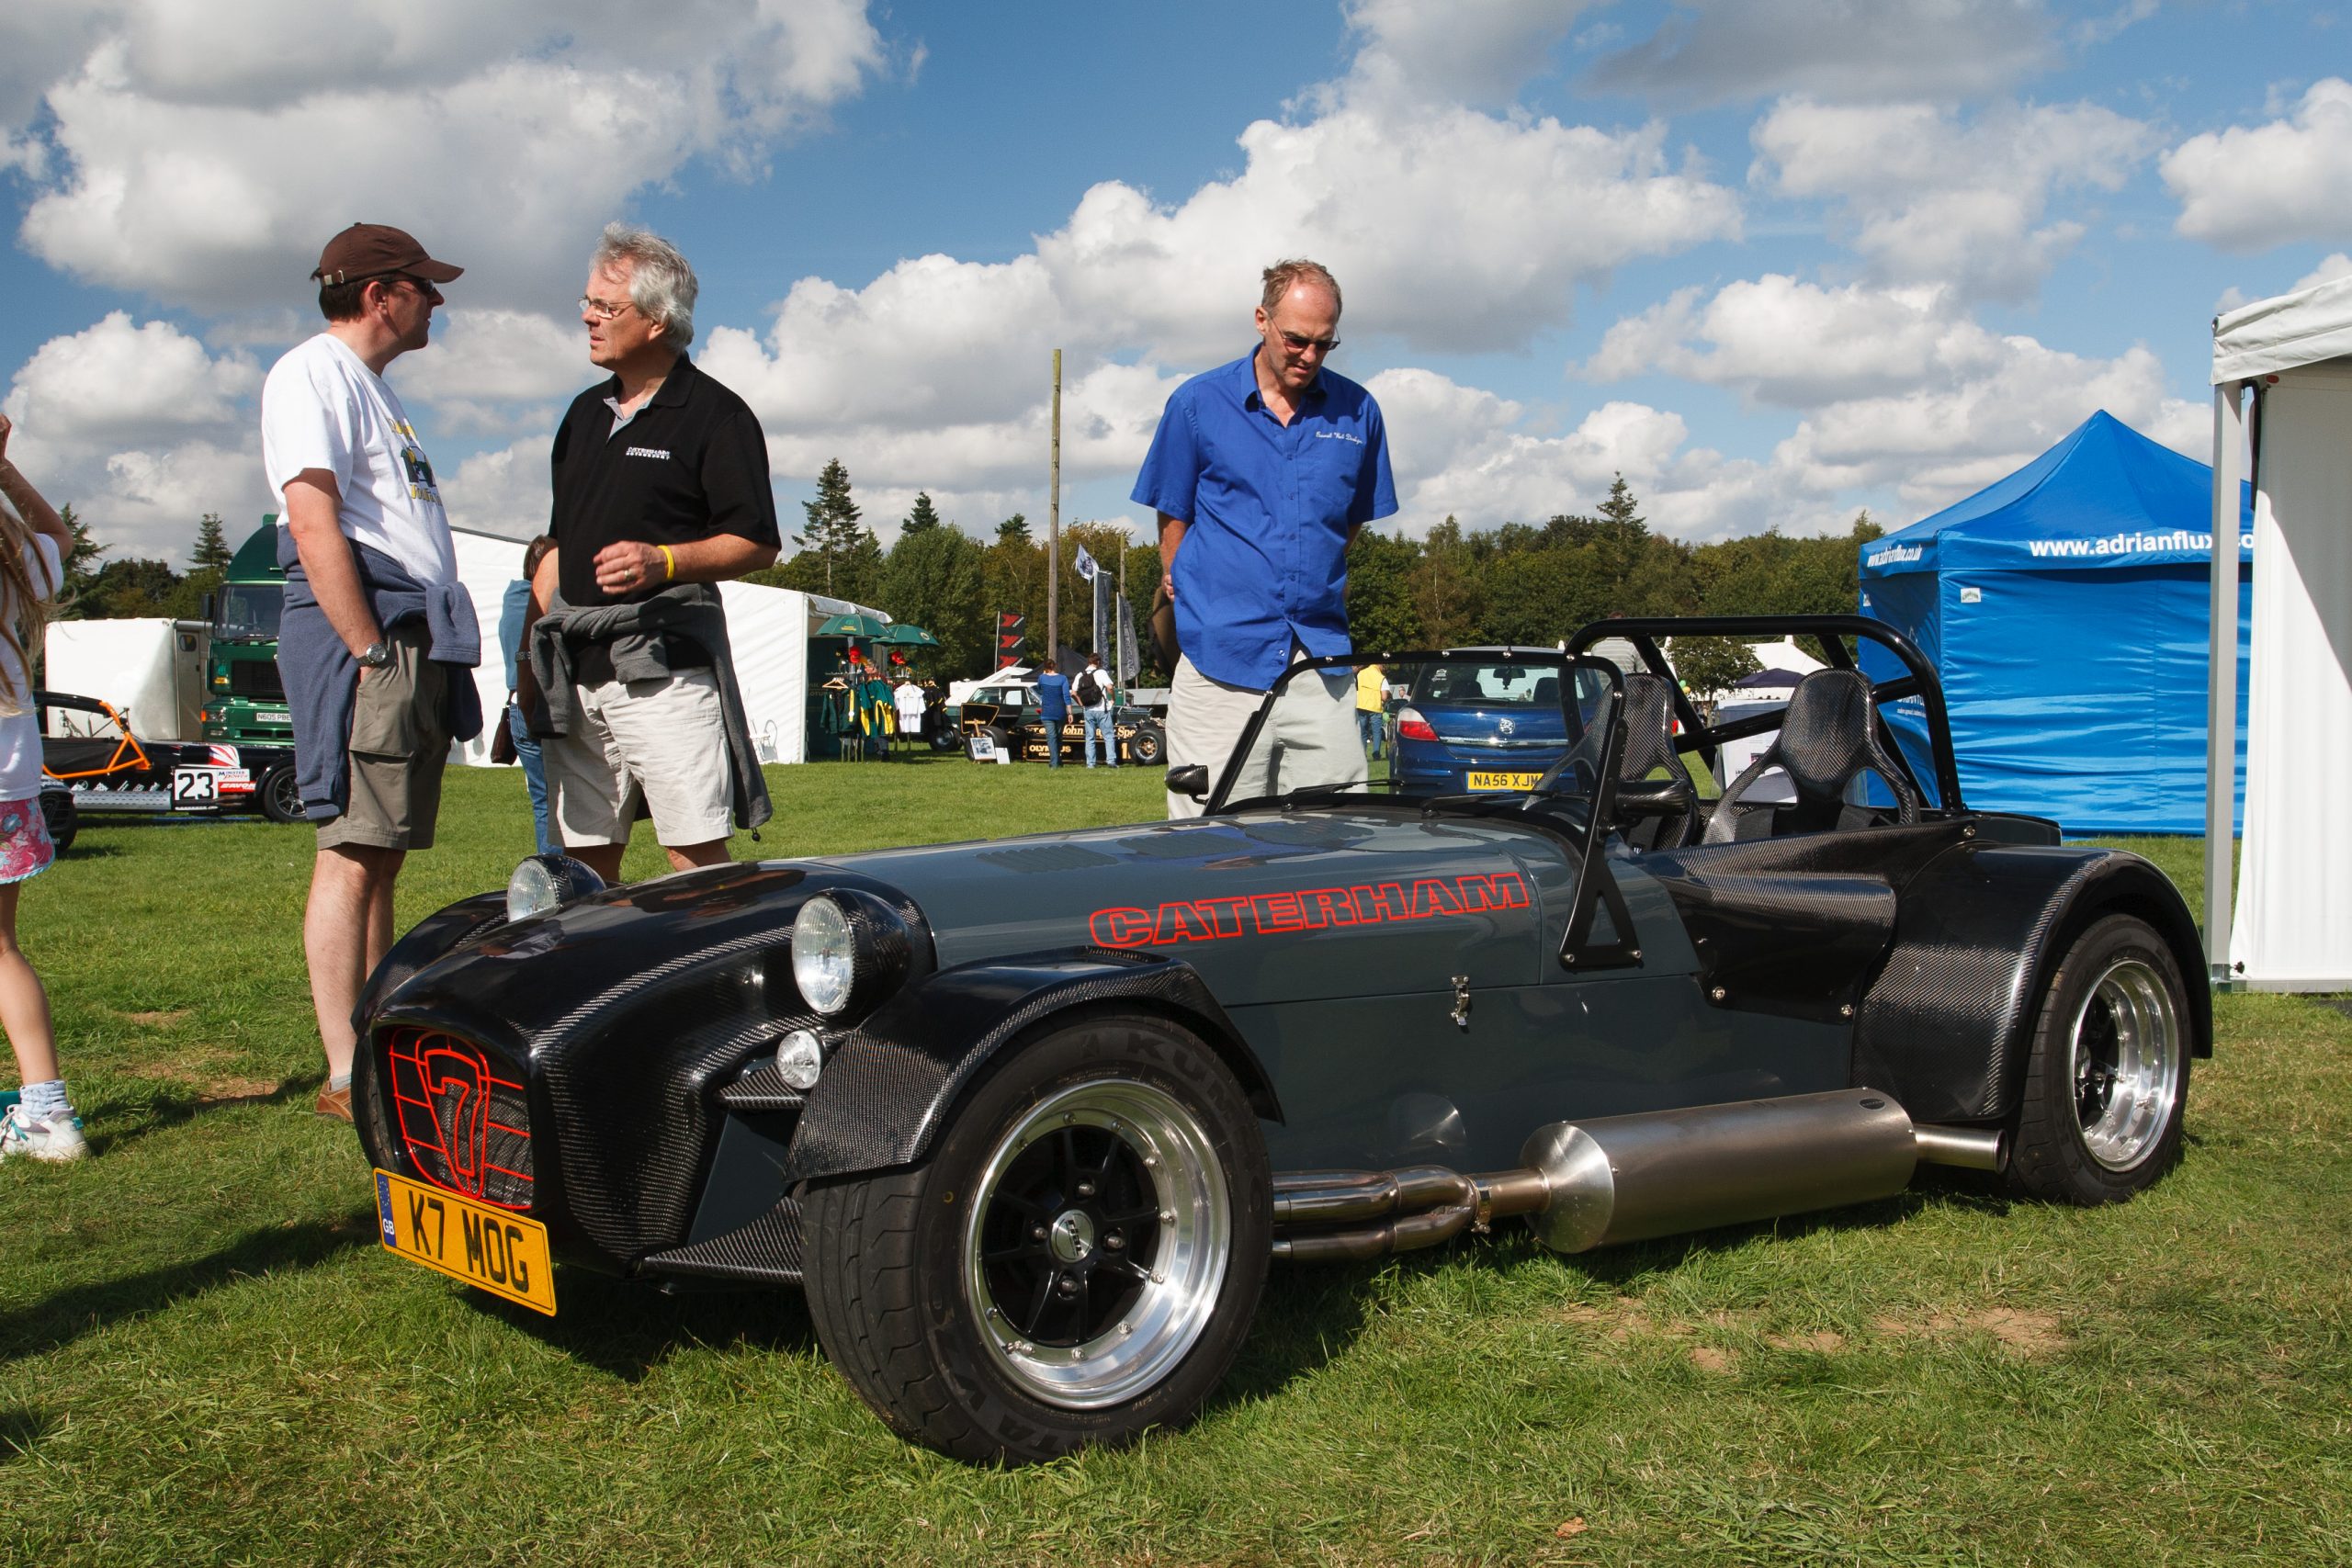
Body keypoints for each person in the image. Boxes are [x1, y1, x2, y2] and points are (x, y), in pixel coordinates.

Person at [262, 222, 481, 1123]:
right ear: (380, 291)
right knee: (350, 853)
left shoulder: (372, 392)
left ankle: (375, 1040)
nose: (437, 301)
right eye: (425, 287)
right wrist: (363, 650)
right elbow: (313, 521)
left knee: (381, 856)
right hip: (369, 636)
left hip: (404, 634)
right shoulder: (311, 372)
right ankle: (347, 1070)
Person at [525, 224, 777, 882]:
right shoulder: (582, 416)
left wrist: (663, 562)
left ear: (659, 321)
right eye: (587, 301)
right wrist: (546, 578)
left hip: (666, 668)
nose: (587, 317)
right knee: (581, 860)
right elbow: (561, 533)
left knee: (692, 854)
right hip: (578, 669)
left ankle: (705, 981)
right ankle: (600, 982)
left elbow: (756, 542)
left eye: (606, 308)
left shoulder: (717, 416)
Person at [1132, 258, 1397, 817]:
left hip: (1319, 664)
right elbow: (1171, 513)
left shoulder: (1360, 412)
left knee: (1331, 842)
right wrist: (1182, 577)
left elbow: (1349, 522)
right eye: (1296, 339)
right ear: (1261, 319)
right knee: (1214, 847)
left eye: (1325, 344)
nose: (1309, 356)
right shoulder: (1197, 404)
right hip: (1218, 661)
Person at [0, 415, 84, 1160]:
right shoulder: (15, 561)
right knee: (1, 948)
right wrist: (2, 468)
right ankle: (45, 1110)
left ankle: (48, 1117)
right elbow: (57, 533)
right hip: (9, 783)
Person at [499, 536, 559, 854]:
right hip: (541, 704)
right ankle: (565, 884)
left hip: (516, 709)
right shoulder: (544, 604)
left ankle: (552, 878)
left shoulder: (513, 601)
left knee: (543, 802)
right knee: (560, 803)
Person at [1076, 651, 1119, 768]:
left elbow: (1074, 692)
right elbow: (1110, 687)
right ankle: (1111, 761)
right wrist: (1113, 699)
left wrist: (1081, 704)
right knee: (1108, 736)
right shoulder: (1101, 672)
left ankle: (1090, 763)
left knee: (1090, 738)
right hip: (1101, 709)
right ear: (1098, 662)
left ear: (1088, 662)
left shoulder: (1080, 674)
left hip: (1088, 710)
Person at [1035, 660, 1071, 768]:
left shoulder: (1042, 678)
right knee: (1058, 737)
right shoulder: (1063, 678)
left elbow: (1039, 688)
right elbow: (1066, 696)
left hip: (1046, 712)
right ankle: (1056, 761)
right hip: (1060, 712)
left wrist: (1043, 674)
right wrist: (1070, 713)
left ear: (1045, 668)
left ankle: (1055, 761)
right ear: (1055, 666)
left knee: (1052, 737)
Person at [1357, 660, 1385, 759]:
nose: (1384, 668)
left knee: (1363, 732)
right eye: (1383, 666)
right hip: (1375, 707)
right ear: (1379, 665)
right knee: (1376, 732)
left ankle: (1362, 754)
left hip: (1361, 705)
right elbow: (1384, 696)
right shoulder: (1381, 677)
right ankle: (1376, 754)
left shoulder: (1361, 673)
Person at [893, 675, 927, 756]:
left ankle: (907, 747)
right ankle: (906, 746)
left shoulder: (917, 690)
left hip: (913, 713)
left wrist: (921, 709)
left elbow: (920, 700)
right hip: (904, 713)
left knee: (912, 727)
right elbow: (896, 701)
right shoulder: (900, 690)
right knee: (904, 727)